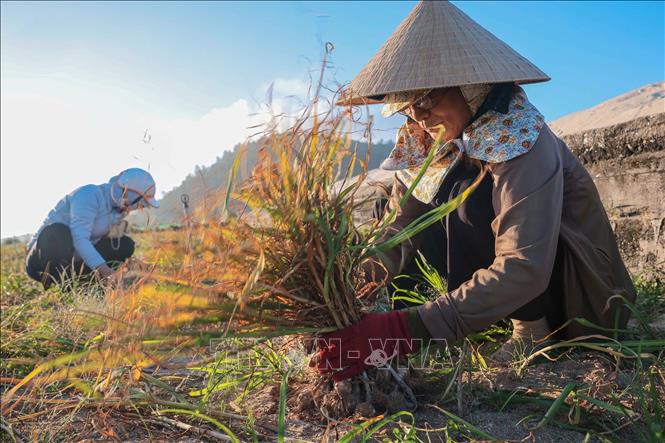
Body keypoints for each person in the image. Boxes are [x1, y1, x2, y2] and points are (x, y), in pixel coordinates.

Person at [314, 1, 636, 381]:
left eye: (427, 99)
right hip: (499, 297)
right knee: (398, 203)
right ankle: (458, 324)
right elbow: (399, 229)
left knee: (469, 198)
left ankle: (533, 330)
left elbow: (525, 266)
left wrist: (402, 330)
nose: (418, 115)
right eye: (408, 106)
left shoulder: (520, 139)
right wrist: (344, 286)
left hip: (574, 299)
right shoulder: (429, 140)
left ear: (470, 86)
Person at [25, 168, 159, 289]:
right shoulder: (89, 195)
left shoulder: (119, 209)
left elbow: (98, 240)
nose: (139, 208)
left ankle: (85, 279)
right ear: (127, 193)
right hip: (41, 260)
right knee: (57, 232)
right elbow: (80, 239)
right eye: (140, 203)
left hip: (74, 259)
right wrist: (107, 273)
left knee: (125, 244)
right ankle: (67, 285)